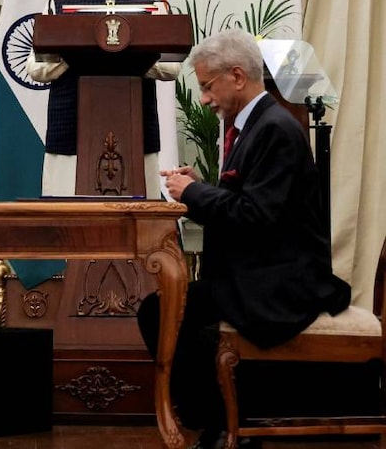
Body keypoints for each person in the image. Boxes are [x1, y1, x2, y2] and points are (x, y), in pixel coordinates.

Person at [141, 29, 351, 448]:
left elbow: (256, 216)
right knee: (157, 311)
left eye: (206, 86)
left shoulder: (273, 129)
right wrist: (202, 185)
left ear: (236, 76)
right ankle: (216, 419)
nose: (203, 99)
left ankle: (222, 422)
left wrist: (195, 194)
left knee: (170, 317)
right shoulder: (257, 123)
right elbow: (248, 199)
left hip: (280, 283)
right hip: (256, 272)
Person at [28, 0, 179, 196]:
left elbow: (170, 66)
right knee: (68, 225)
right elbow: (35, 68)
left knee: (135, 224)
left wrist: (131, 54)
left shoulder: (150, 0)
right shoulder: (57, 1)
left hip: (134, 129)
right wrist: (75, 50)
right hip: (70, 129)